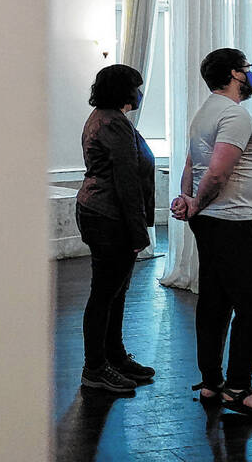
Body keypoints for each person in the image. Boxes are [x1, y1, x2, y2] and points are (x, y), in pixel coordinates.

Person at [170, 48, 252, 422]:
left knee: (215, 302)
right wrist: (196, 204)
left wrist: (189, 201)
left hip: (213, 221)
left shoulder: (205, 111)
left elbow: (192, 164)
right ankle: (239, 389)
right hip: (234, 221)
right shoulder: (234, 114)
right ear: (236, 74)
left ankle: (210, 383)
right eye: (248, 70)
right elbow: (217, 172)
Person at [75, 64, 157, 393]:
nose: (139, 93)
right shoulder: (111, 122)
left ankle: (114, 356)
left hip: (103, 212)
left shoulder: (107, 117)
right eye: (136, 87)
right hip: (108, 215)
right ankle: (95, 368)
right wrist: (139, 232)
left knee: (115, 291)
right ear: (123, 89)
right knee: (105, 294)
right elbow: (126, 180)